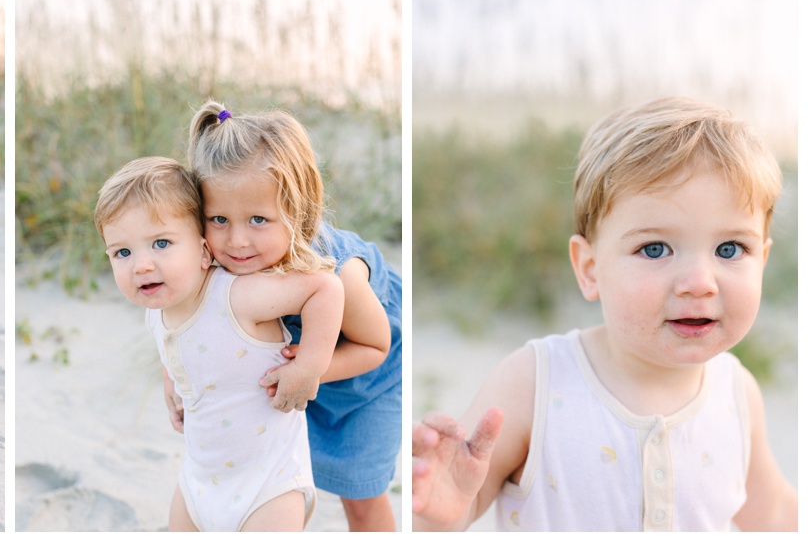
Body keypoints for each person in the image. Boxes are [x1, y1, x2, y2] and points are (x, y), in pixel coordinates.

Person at [411, 97, 798, 531]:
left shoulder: (737, 394)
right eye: (655, 249)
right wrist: (440, 509)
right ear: (590, 269)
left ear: (762, 260)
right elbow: (459, 500)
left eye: (730, 249)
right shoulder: (534, 383)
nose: (699, 282)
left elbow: (776, 514)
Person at [183, 100, 403, 531]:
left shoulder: (338, 271)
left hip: (369, 382)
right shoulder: (214, 263)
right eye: (219, 218)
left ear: (300, 210)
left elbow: (377, 345)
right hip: (297, 378)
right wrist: (175, 384)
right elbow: (188, 327)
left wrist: (310, 370)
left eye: (259, 219)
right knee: (281, 485)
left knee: (361, 496)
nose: (238, 240)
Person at [94, 156, 344, 531]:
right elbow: (176, 345)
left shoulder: (236, 297)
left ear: (203, 250)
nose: (141, 265)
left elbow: (326, 288)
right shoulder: (157, 309)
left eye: (161, 243)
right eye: (122, 253)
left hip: (268, 487)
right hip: (199, 483)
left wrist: (309, 366)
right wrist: (171, 381)